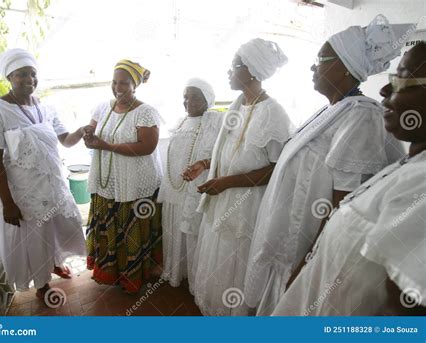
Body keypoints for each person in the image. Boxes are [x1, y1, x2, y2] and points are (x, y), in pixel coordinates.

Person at [244, 15, 414, 316]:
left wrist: (308, 263)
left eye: (320, 60)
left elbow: (342, 202)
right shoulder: (334, 109)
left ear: (344, 67)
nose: (313, 67)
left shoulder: (362, 116)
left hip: (305, 251)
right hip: (287, 246)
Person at [183, 38, 294, 315]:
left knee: (238, 259)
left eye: (235, 65)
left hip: (247, 204)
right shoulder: (236, 105)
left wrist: (227, 183)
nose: (229, 71)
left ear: (253, 70)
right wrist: (206, 164)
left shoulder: (273, 113)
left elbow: (276, 168)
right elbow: (232, 155)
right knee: (218, 254)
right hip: (222, 199)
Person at [0, 48, 86, 300]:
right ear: (9, 77)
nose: (30, 79)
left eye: (33, 74)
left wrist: (83, 130)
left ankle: (55, 263)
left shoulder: (46, 108)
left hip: (52, 186)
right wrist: (8, 203)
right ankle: (42, 284)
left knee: (55, 229)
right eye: (22, 74)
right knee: (34, 237)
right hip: (23, 193)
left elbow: (66, 141)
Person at [84, 59, 163, 294]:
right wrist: (88, 134)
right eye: (114, 82)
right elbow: (93, 132)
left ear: (135, 85)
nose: (118, 88)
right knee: (109, 226)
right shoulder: (102, 107)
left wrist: (106, 146)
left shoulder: (146, 112)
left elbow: (146, 147)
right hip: (107, 182)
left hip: (134, 184)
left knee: (132, 227)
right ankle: (113, 272)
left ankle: (134, 276)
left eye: (124, 83)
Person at [157, 78, 222, 291]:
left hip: (196, 189)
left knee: (193, 233)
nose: (188, 101)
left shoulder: (215, 121)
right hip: (176, 188)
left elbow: (221, 155)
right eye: (185, 97)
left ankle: (195, 281)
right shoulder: (181, 122)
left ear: (207, 99)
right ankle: (177, 272)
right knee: (174, 229)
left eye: (194, 97)